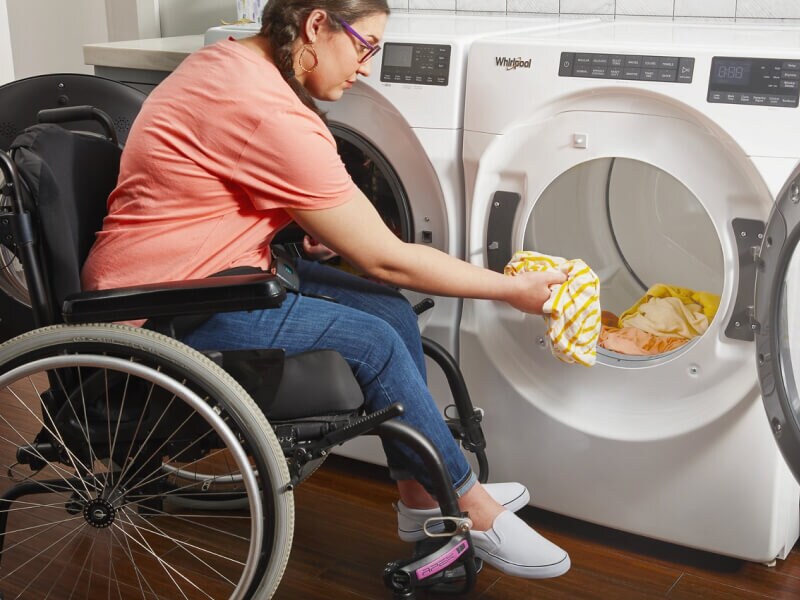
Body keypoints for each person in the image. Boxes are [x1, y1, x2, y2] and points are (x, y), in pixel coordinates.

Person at [81, 0, 570, 580]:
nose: (367, 66)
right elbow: (387, 259)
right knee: (373, 339)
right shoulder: (268, 110)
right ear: (316, 24)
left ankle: (420, 499)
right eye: (365, 45)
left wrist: (294, 223)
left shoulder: (229, 62)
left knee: (388, 312)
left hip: (205, 266)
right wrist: (510, 291)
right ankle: (469, 504)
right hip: (159, 304)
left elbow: (214, 187)